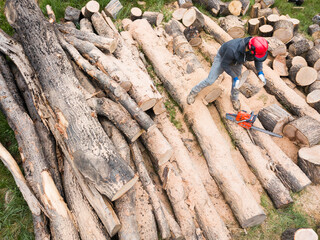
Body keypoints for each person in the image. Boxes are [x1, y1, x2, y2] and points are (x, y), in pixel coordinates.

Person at [186, 36, 268, 110]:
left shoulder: (255, 46)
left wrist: (260, 72)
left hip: (237, 62)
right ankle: (193, 92)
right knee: (210, 80)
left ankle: (234, 99)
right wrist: (235, 77)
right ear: (251, 49)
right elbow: (224, 64)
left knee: (237, 84)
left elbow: (258, 58)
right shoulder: (232, 49)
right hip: (223, 59)